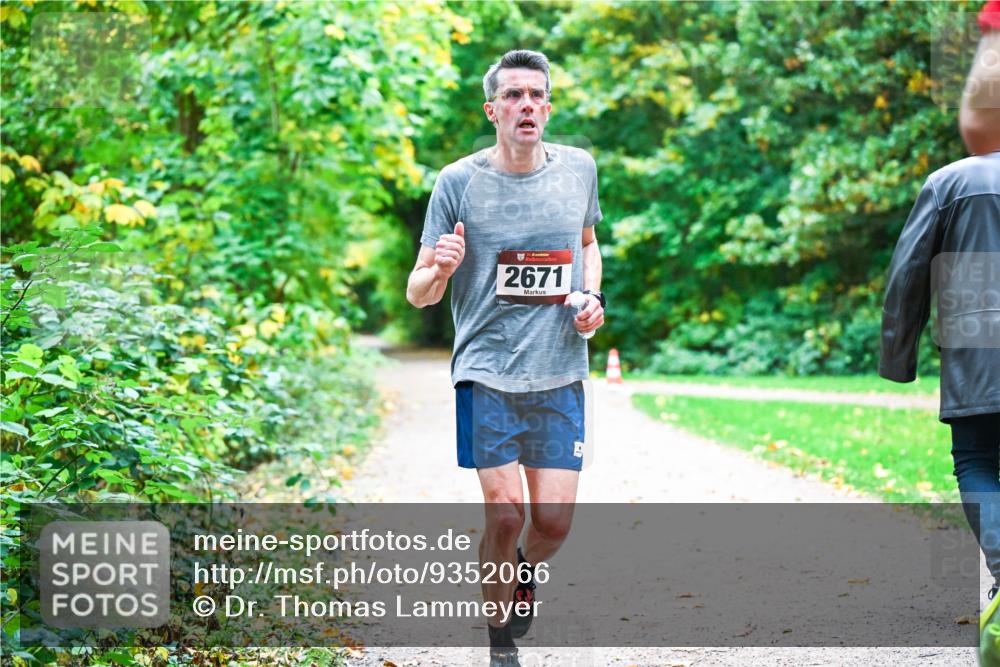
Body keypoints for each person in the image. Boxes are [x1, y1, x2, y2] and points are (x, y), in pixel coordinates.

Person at [406, 50, 604, 667]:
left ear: (548, 107)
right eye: (513, 96)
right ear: (492, 110)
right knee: (505, 511)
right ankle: (499, 644)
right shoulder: (457, 182)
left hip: (560, 369)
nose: (526, 105)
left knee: (552, 523)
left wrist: (593, 296)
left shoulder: (579, 171)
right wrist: (439, 267)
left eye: (536, 96)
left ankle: (519, 569)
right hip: (486, 371)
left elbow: (589, 246)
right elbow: (418, 293)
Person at [880, 2, 1000, 661]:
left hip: (977, 357)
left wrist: (899, 358)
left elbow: (907, 276)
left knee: (979, 461)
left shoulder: (949, 181)